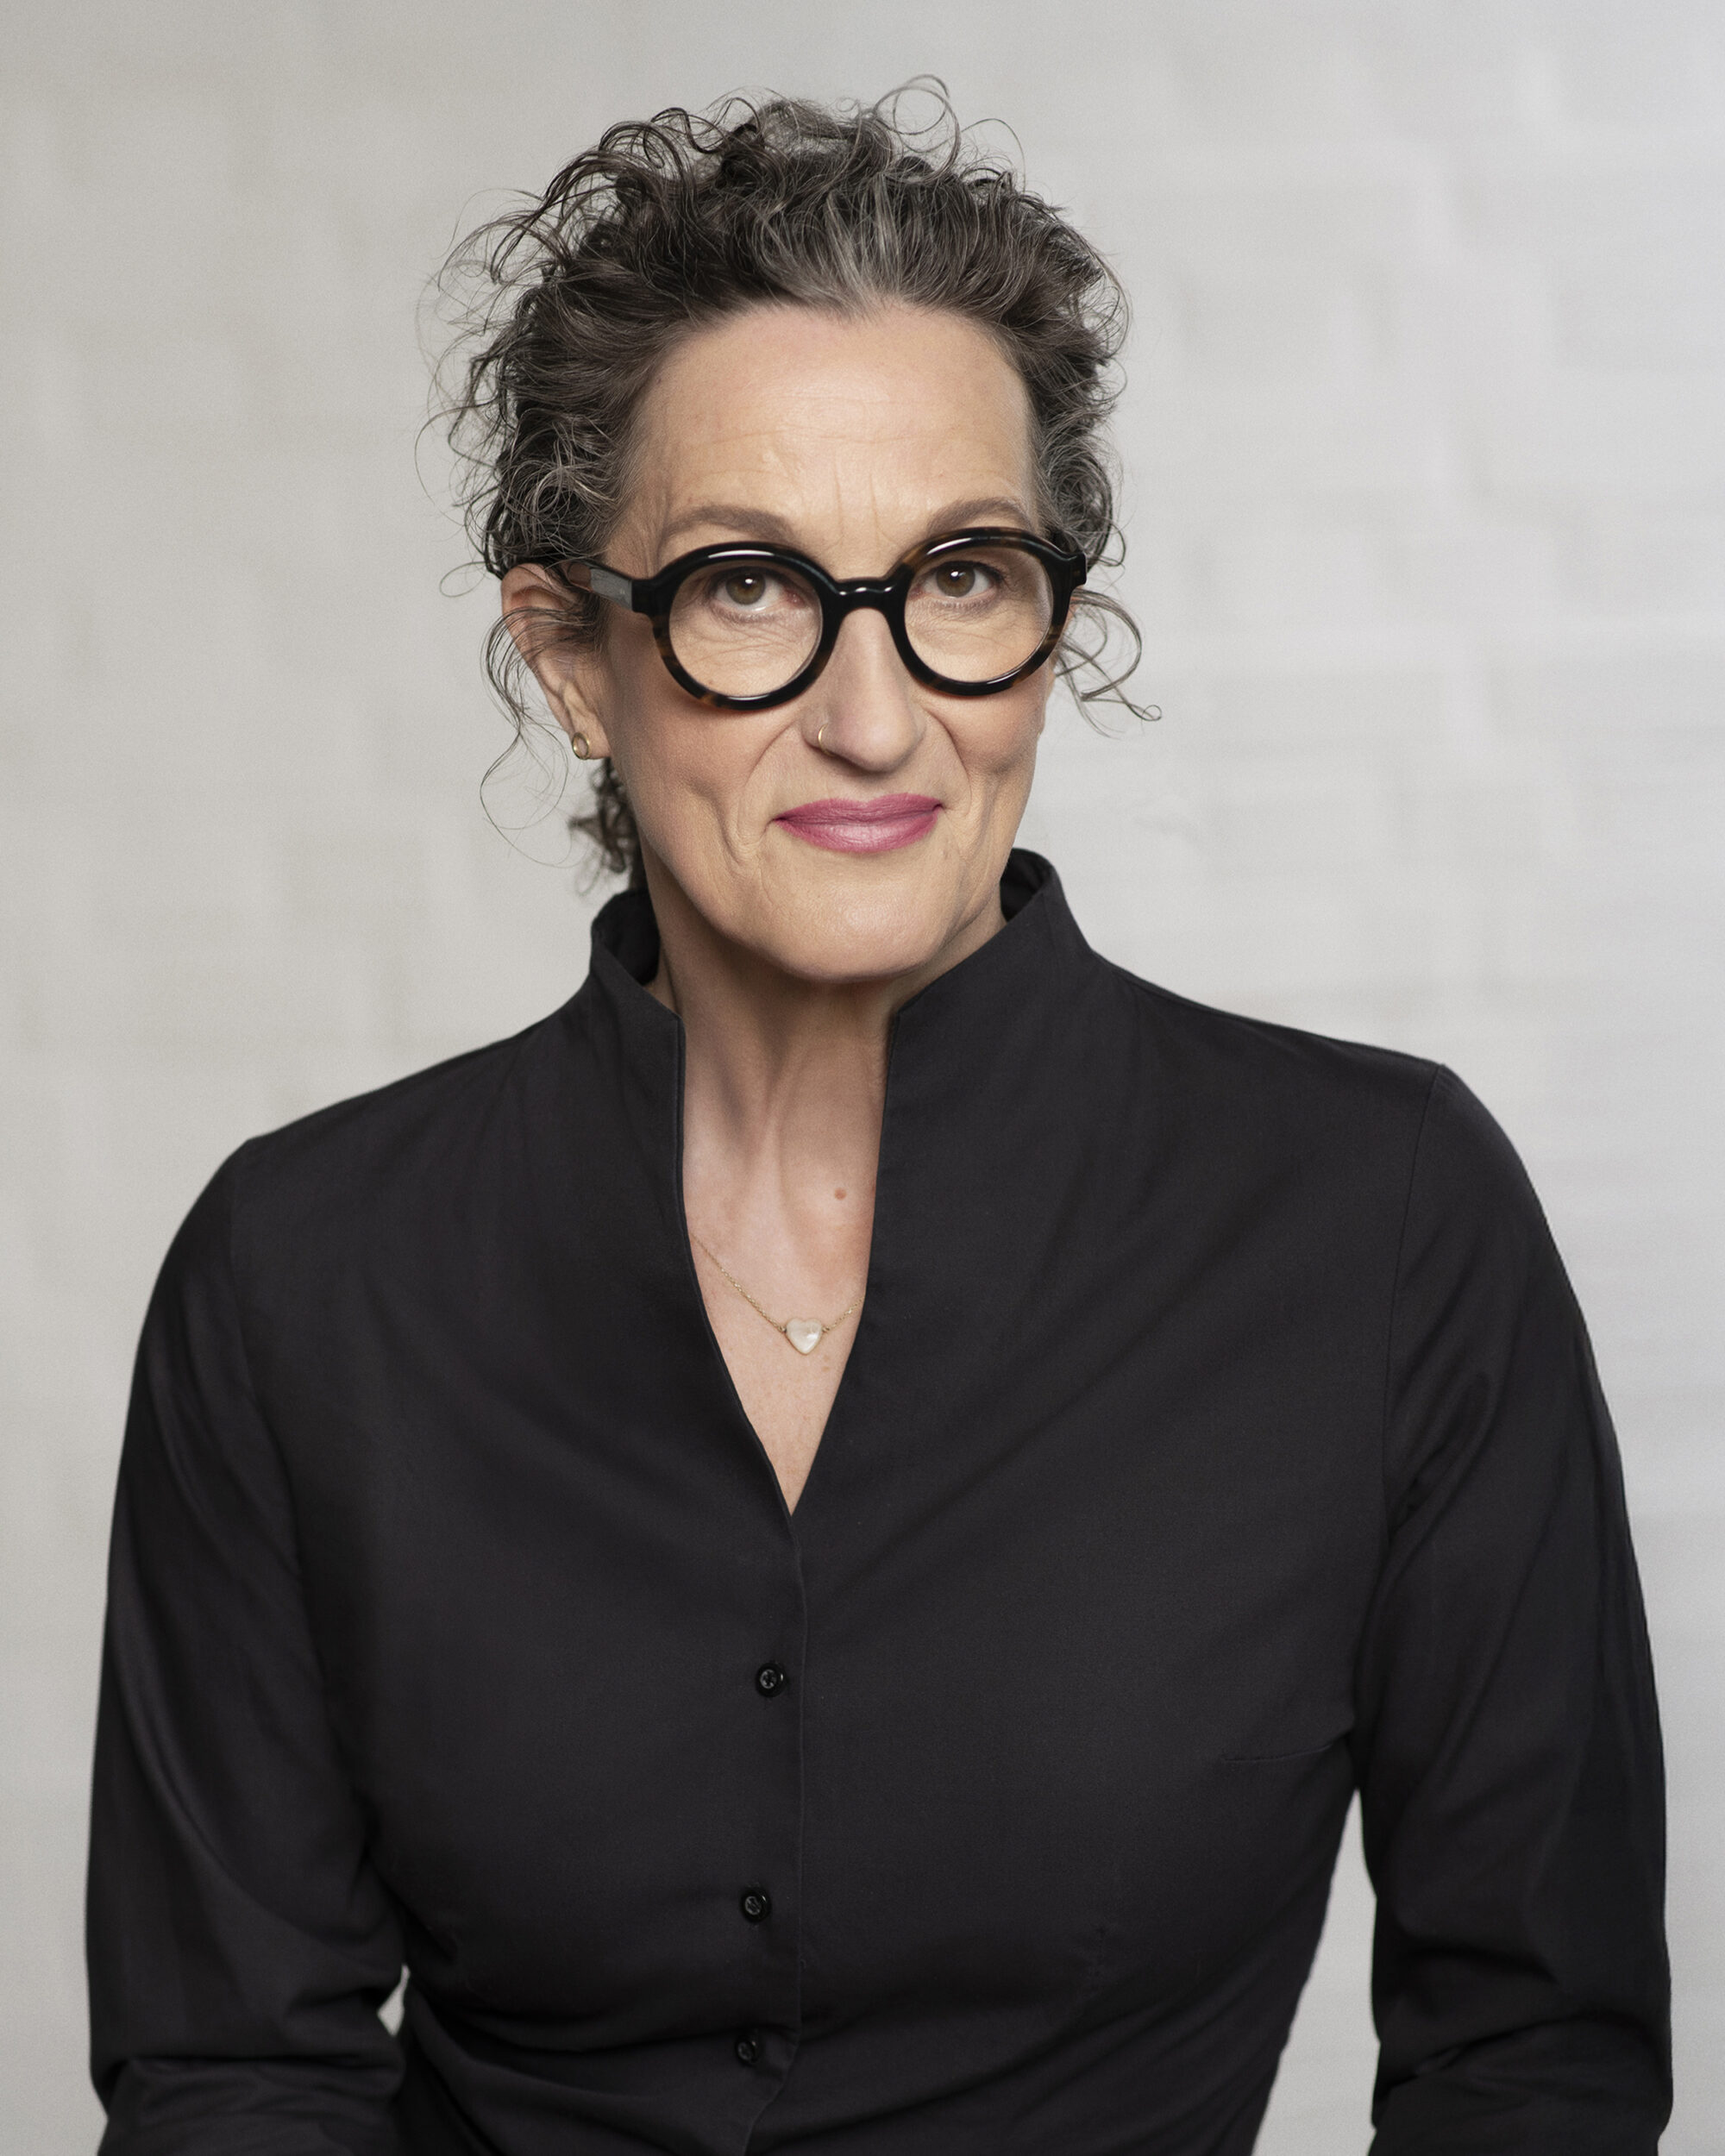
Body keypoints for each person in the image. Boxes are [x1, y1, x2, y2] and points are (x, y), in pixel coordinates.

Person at [86, 91, 1669, 2156]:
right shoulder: (305, 1271)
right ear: (571, 656)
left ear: (1048, 627)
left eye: (962, 573)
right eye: (748, 584)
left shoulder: (1380, 1220)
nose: (872, 712)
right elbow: (233, 2075)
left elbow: (1531, 2060)